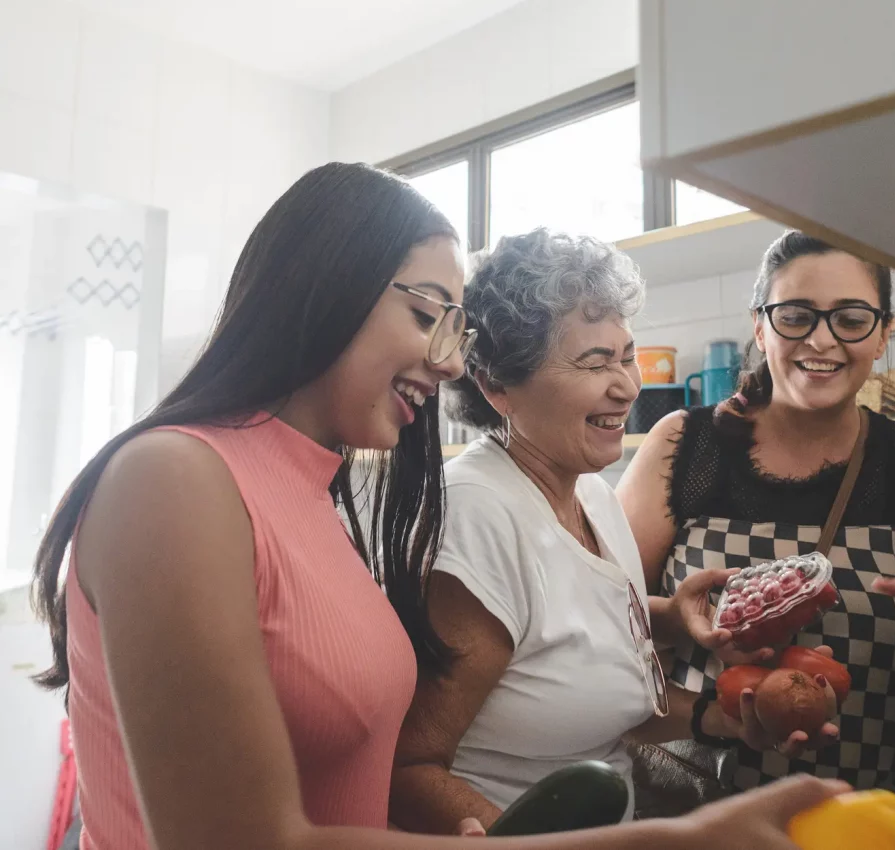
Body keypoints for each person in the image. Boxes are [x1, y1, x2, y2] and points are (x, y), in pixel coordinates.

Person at [31, 168, 846, 850]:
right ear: (325, 290)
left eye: (453, 325)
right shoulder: (172, 479)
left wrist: (664, 623)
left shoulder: (321, 494)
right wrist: (672, 842)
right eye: (425, 315)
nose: (447, 358)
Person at [389, 230, 838, 837]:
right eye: (594, 361)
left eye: (627, 356)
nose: (628, 385)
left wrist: (717, 708)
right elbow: (410, 767)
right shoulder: (479, 514)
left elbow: (584, 684)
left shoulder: (593, 497)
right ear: (497, 385)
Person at [617, 230, 895, 794]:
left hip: (865, 819)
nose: (822, 339)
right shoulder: (683, 447)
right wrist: (695, 674)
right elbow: (592, 628)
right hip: (692, 819)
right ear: (760, 327)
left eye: (852, 319)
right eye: (796, 316)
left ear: (881, 334)